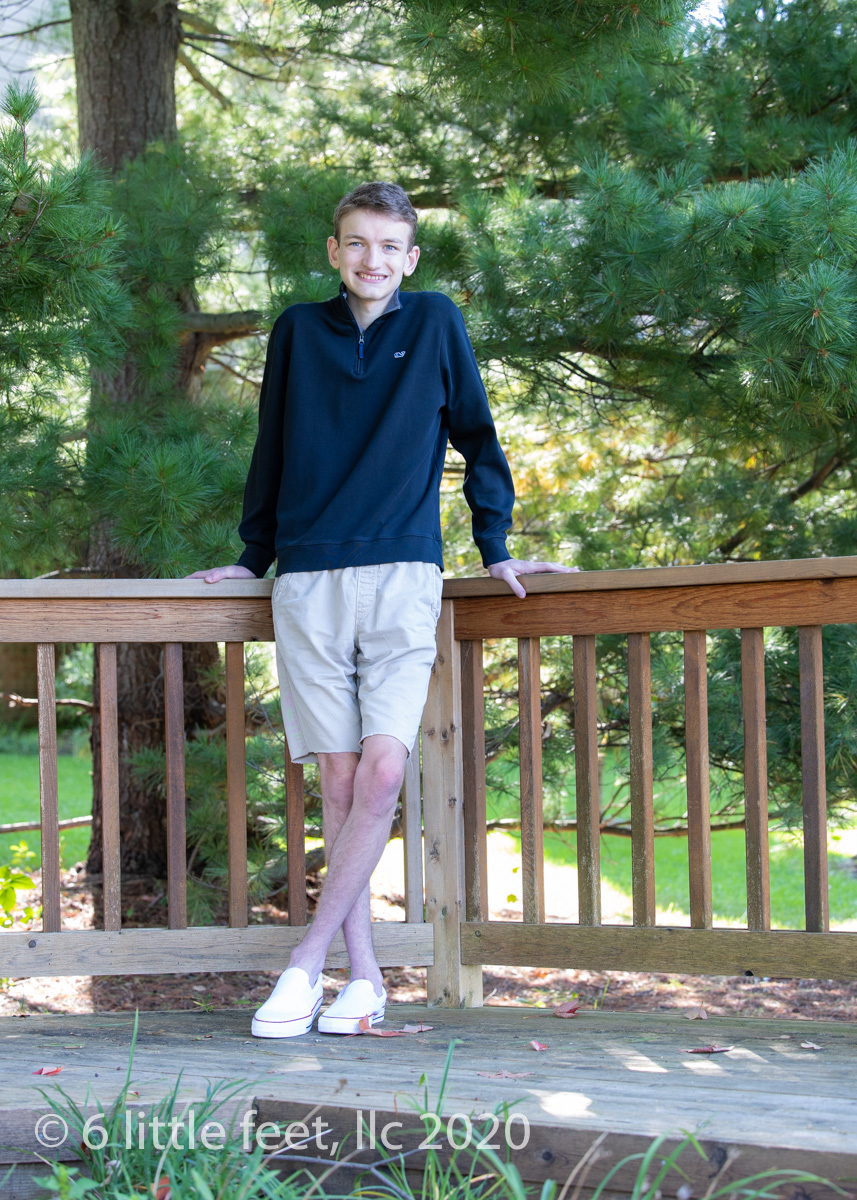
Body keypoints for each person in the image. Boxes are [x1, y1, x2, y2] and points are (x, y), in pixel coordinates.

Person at [188, 181, 572, 1038]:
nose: (372, 259)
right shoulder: (297, 330)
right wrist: (251, 557)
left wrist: (494, 543)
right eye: (356, 243)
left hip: (404, 575)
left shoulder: (434, 322)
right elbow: (272, 448)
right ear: (335, 251)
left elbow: (476, 433)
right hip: (307, 579)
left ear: (410, 257)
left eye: (389, 246)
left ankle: (304, 962)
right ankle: (361, 979)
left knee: (384, 770)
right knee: (337, 780)